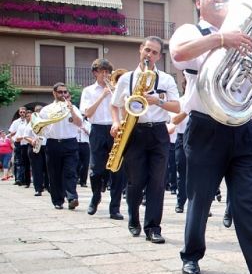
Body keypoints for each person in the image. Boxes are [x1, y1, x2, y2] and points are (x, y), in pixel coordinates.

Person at [170, 0, 252, 274]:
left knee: (249, 200)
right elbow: (180, 54)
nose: (220, 0)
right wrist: (222, 39)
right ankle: (191, 256)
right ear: (198, 2)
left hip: (242, 127)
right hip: (205, 126)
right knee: (200, 198)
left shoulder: (245, 37)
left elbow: (251, 80)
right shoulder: (191, 30)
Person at [111, 36, 180, 243]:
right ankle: (134, 218)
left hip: (158, 132)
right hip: (134, 130)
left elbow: (177, 107)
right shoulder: (127, 78)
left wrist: (157, 100)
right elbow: (115, 105)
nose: (149, 55)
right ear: (141, 50)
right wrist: (115, 123)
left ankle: (153, 227)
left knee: (157, 182)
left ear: (159, 56)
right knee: (135, 181)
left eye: (154, 52)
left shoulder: (166, 79)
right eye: (147, 50)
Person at [80, 61, 126, 220]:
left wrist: (116, 94)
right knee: (96, 170)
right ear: (95, 73)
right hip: (97, 130)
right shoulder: (88, 91)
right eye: (102, 72)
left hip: (116, 129)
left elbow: (125, 109)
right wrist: (103, 95)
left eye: (108, 72)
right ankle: (95, 196)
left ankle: (115, 208)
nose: (105, 75)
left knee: (117, 170)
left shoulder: (118, 89)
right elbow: (87, 113)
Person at [40, 83, 83, 210]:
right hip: (53, 143)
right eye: (60, 92)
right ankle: (58, 200)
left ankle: (72, 197)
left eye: (65, 92)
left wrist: (71, 110)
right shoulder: (46, 109)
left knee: (70, 172)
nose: (63, 94)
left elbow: (80, 123)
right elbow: (39, 126)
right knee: (54, 174)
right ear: (54, 93)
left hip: (70, 142)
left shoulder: (73, 107)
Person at [8, 106, 27, 185]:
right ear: (19, 113)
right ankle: (18, 179)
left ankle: (24, 178)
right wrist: (12, 143)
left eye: (23, 112)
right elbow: (11, 134)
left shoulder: (28, 121)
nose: (22, 113)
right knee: (17, 161)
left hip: (26, 143)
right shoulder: (16, 122)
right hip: (18, 143)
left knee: (24, 161)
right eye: (21, 112)